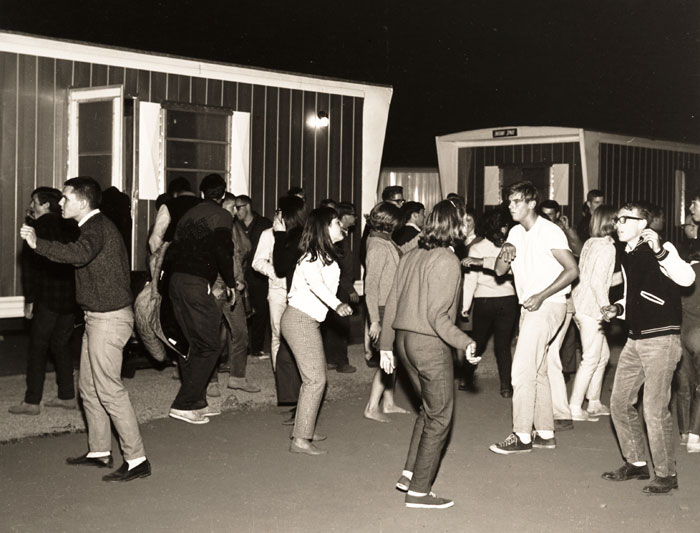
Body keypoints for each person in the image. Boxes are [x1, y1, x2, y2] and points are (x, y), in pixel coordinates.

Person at [20, 176, 150, 482]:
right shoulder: (92, 226)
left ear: (82, 201)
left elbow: (79, 254)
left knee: (109, 390)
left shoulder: (96, 227)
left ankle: (137, 458)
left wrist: (38, 243)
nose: (61, 203)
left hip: (109, 319)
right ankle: (100, 451)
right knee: (89, 390)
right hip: (97, 318)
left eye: (65, 198)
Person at [379, 199, 478, 509]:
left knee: (428, 409)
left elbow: (392, 302)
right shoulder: (447, 261)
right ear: (456, 226)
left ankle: (409, 474)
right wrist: (465, 342)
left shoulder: (411, 254)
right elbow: (438, 317)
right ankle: (420, 492)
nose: (467, 226)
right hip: (429, 345)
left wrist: (385, 344)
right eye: (464, 221)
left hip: (404, 343)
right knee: (440, 417)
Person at [601, 202, 695, 494]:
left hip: (661, 339)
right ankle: (636, 464)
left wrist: (662, 252)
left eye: (625, 219)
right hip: (636, 338)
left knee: (653, 409)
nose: (618, 223)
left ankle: (667, 474)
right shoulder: (628, 253)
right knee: (619, 402)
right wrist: (618, 307)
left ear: (643, 223)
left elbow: (687, 278)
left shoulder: (660, 246)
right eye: (617, 219)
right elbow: (636, 295)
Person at [489, 180, 578, 455]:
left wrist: (541, 294)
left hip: (549, 305)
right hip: (529, 308)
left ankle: (522, 436)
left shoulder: (549, 232)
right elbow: (500, 271)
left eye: (516, 201)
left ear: (531, 203)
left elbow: (572, 270)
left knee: (521, 370)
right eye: (509, 201)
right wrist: (505, 253)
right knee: (537, 370)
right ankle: (545, 433)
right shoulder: (516, 231)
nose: (510, 205)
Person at [280, 207, 353, 455]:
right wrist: (338, 305)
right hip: (300, 320)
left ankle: (305, 429)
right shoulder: (311, 256)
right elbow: (316, 285)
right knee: (315, 380)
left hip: (308, 321)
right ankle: (300, 440)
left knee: (315, 377)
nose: (341, 225)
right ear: (324, 227)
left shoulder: (324, 254)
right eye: (335, 222)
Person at [166, 174, 235, 424]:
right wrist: (230, 282)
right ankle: (184, 403)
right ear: (223, 195)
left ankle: (197, 402)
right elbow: (222, 250)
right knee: (210, 346)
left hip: (176, 281)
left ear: (202, 193)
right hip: (197, 283)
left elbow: (171, 248)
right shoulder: (222, 216)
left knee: (193, 344)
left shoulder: (188, 215)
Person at [10, 187, 79, 416]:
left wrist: (29, 301)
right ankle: (67, 396)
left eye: (35, 202)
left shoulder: (35, 229)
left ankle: (32, 402)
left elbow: (29, 269)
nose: (31, 206)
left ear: (46, 205)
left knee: (37, 347)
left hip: (46, 296)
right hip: (70, 297)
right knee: (61, 344)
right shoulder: (71, 226)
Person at [461, 208, 518, 398]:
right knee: (503, 345)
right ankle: (506, 387)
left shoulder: (476, 248)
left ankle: (466, 378)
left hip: (483, 301)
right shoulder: (510, 248)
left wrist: (465, 306)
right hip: (508, 300)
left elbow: (470, 280)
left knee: (477, 341)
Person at [569, 205, 618, 421]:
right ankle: (574, 406)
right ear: (611, 222)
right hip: (591, 308)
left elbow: (598, 279)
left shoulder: (591, 242)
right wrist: (606, 308)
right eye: (618, 220)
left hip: (581, 304)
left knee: (603, 355)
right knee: (590, 358)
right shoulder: (607, 247)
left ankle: (595, 401)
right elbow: (599, 283)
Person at [364, 202, 410, 422]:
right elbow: (370, 287)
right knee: (388, 357)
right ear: (389, 222)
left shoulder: (384, 240)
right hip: (383, 309)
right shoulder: (377, 246)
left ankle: (388, 403)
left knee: (394, 357)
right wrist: (374, 320)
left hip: (391, 306)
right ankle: (372, 407)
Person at [253, 196, 304, 370]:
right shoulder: (268, 234)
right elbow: (257, 262)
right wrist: (275, 274)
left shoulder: (301, 235)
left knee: (298, 334)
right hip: (277, 291)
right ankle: (279, 375)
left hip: (298, 291)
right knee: (277, 333)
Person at [218, 193, 259, 393]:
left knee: (240, 332)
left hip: (235, 286)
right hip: (218, 286)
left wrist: (239, 280)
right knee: (213, 335)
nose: (236, 211)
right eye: (232, 207)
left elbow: (243, 251)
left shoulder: (235, 227)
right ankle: (209, 381)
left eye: (237, 207)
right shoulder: (217, 226)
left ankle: (237, 377)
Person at [322, 201, 359, 374]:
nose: (356, 218)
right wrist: (349, 288)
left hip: (338, 286)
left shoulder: (344, 234)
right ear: (345, 217)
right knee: (342, 324)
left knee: (333, 324)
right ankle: (341, 361)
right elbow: (342, 266)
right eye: (353, 215)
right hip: (340, 288)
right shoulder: (338, 237)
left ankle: (331, 359)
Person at [234, 195, 273, 358]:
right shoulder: (234, 224)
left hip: (259, 275)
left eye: (238, 207)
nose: (236, 212)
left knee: (261, 311)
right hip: (241, 274)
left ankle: (257, 348)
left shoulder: (265, 224)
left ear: (247, 206)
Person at [148, 177, 200, 254]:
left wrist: (159, 257)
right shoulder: (202, 204)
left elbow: (155, 238)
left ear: (174, 194)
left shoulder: (169, 205)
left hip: (175, 257)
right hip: (199, 256)